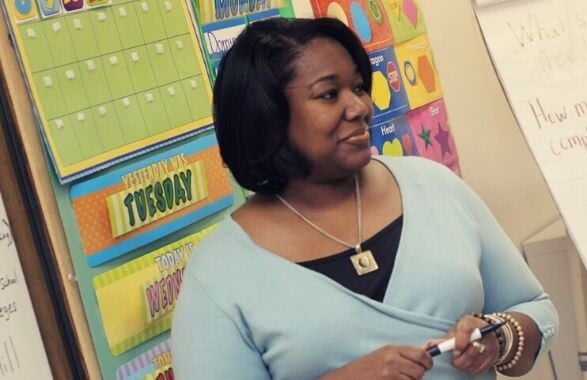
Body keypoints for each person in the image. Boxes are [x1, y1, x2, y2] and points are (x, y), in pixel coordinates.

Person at [171, 17, 558, 380]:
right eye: (328, 94)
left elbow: (534, 308)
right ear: (267, 115)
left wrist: (500, 337)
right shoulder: (220, 273)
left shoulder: (436, 188)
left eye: (358, 88)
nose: (359, 108)